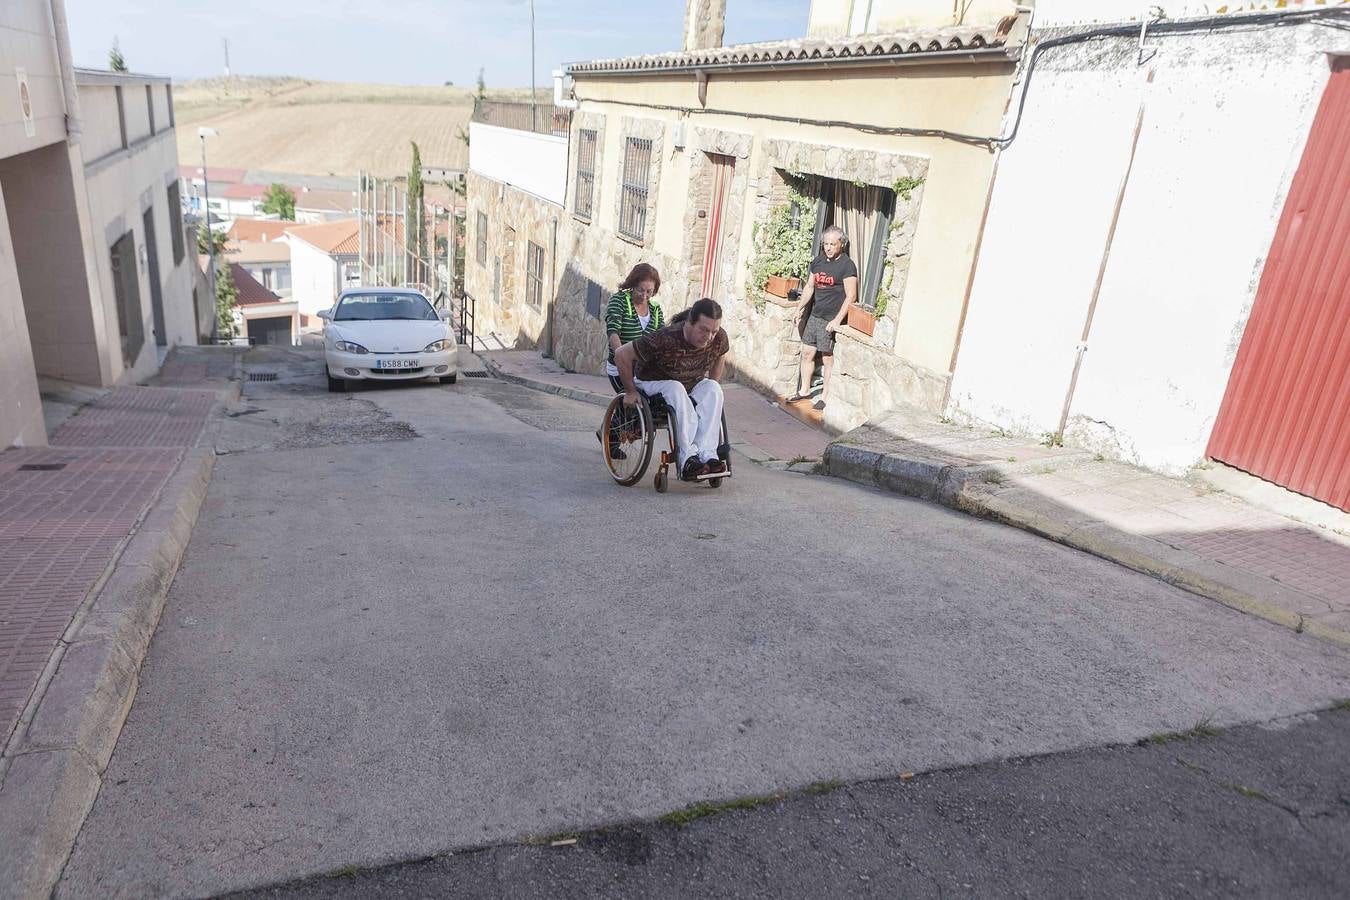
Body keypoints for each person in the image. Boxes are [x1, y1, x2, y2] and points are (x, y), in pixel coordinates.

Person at [614, 298, 729, 481]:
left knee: (713, 388)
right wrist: (630, 391)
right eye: (704, 330)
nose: (709, 337)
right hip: (651, 382)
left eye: (713, 332)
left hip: (689, 385)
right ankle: (687, 460)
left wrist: (710, 388)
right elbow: (621, 355)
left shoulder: (719, 338)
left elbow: (720, 354)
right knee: (675, 388)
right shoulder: (664, 339)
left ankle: (707, 455)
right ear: (690, 322)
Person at [790, 225, 857, 410]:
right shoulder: (818, 262)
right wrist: (799, 309)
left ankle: (824, 396)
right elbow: (810, 287)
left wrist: (836, 321)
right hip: (815, 315)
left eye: (832, 244)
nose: (828, 247)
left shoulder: (847, 265)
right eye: (825, 243)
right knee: (807, 353)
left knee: (827, 358)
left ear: (841, 245)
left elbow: (851, 296)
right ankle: (804, 390)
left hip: (830, 319)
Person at [605, 263, 665, 392]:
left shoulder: (655, 310)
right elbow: (613, 332)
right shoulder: (619, 301)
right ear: (632, 285)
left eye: (649, 291)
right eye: (640, 290)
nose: (644, 296)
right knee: (633, 401)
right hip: (620, 367)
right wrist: (621, 356)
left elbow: (662, 338)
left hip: (644, 369)